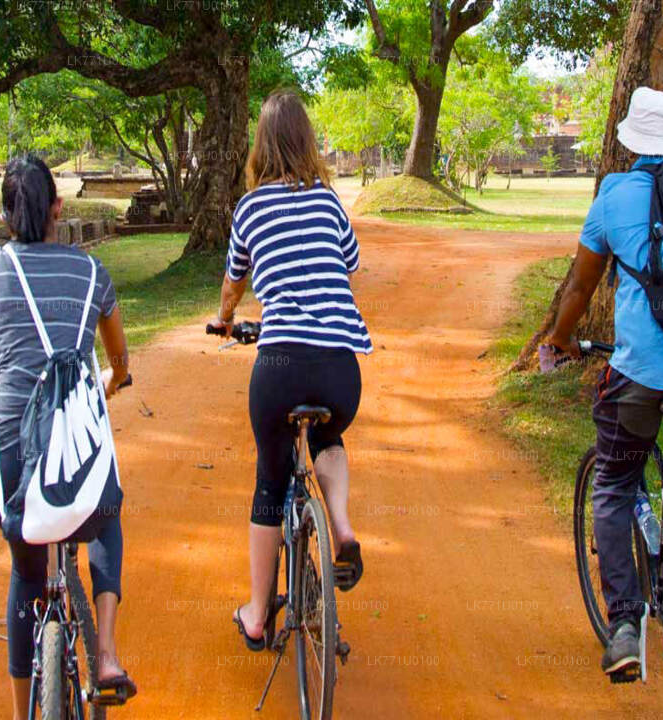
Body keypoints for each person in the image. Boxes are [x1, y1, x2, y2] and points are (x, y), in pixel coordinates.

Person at [541, 87, 663, 676]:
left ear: (630, 141)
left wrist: (558, 341)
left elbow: (580, 286)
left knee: (615, 481)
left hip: (642, 372)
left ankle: (626, 622)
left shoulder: (615, 193)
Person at [0, 155, 135, 718]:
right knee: (106, 518)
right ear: (59, 209)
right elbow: (120, 363)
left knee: (26, 572)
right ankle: (106, 653)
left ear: (6, 215)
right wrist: (107, 385)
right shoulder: (93, 274)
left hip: (10, 469)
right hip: (77, 459)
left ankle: (20, 712)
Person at [209, 90, 373, 651]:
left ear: (261, 145)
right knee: (329, 434)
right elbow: (349, 264)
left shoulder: (250, 208)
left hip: (279, 364)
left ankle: (257, 615)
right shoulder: (329, 202)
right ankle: (343, 528)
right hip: (338, 368)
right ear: (306, 142)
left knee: (270, 478)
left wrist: (225, 319)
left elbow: (235, 282)